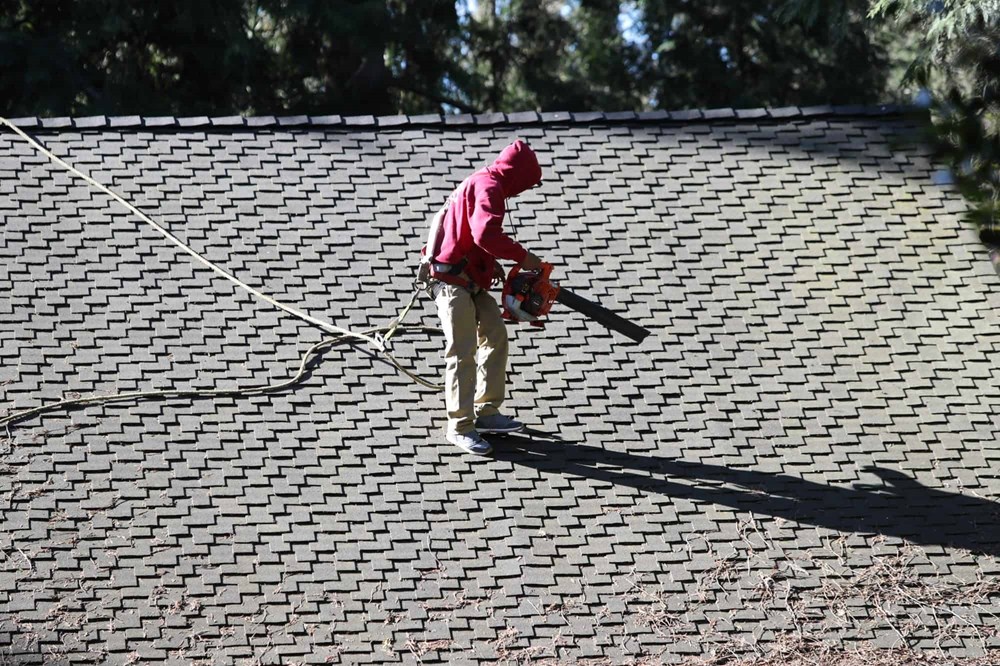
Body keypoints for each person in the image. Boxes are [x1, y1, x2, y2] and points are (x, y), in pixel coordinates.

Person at [426, 139, 545, 455]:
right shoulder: (489, 186)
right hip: (452, 282)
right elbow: (484, 234)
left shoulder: (481, 183)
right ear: (516, 175)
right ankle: (461, 426)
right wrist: (524, 257)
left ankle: (487, 412)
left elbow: (465, 232)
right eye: (526, 184)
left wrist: (490, 264)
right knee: (462, 351)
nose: (522, 192)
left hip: (468, 280)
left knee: (495, 334)